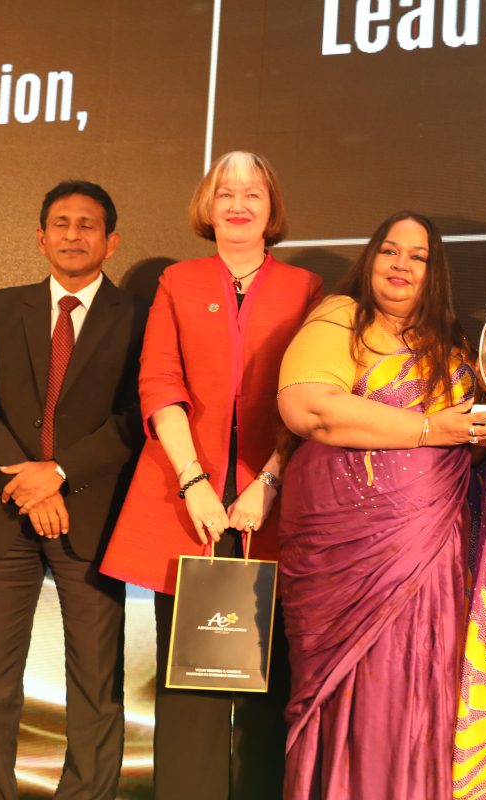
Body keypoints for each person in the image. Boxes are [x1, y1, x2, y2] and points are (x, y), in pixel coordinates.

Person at [99, 151, 322, 799]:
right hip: (185, 508)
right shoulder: (179, 281)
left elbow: (311, 393)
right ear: (208, 205)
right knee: (188, 683)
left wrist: (270, 481)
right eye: (226, 191)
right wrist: (194, 481)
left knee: (268, 688)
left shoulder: (307, 289)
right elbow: (159, 382)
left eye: (253, 192)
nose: (238, 203)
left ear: (271, 207)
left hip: (273, 512)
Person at [276, 211, 486, 798]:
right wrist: (429, 427)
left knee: (421, 688)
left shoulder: (452, 349)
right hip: (345, 555)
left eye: (418, 256)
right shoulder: (341, 317)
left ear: (436, 272)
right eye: (389, 251)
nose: (401, 264)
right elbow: (309, 407)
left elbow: (472, 449)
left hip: (429, 553)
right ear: (370, 259)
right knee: (353, 694)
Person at [0, 180, 148, 798]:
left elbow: (135, 417)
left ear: (112, 241)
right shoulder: (0, 307)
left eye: (87, 225)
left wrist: (59, 473)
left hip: (92, 517)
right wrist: (30, 481)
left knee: (96, 679)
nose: (72, 235)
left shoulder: (137, 317)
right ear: (40, 238)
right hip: (3, 512)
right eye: (60, 223)